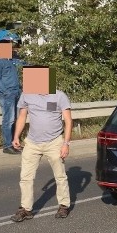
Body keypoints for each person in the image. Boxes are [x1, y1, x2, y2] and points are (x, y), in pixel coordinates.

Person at [10, 85, 73, 221]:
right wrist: (16, 136)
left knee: (60, 176)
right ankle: (26, 209)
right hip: (32, 143)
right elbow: (22, 116)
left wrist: (66, 144)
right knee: (25, 177)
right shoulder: (27, 95)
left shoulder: (59, 95)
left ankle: (64, 205)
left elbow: (68, 121)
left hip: (54, 142)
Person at [0, 41, 22, 154]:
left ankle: (15, 142)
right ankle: (7, 145)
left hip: (15, 92)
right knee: (9, 120)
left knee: (16, 119)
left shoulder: (9, 60)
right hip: (7, 94)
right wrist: (6, 91)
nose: (11, 50)